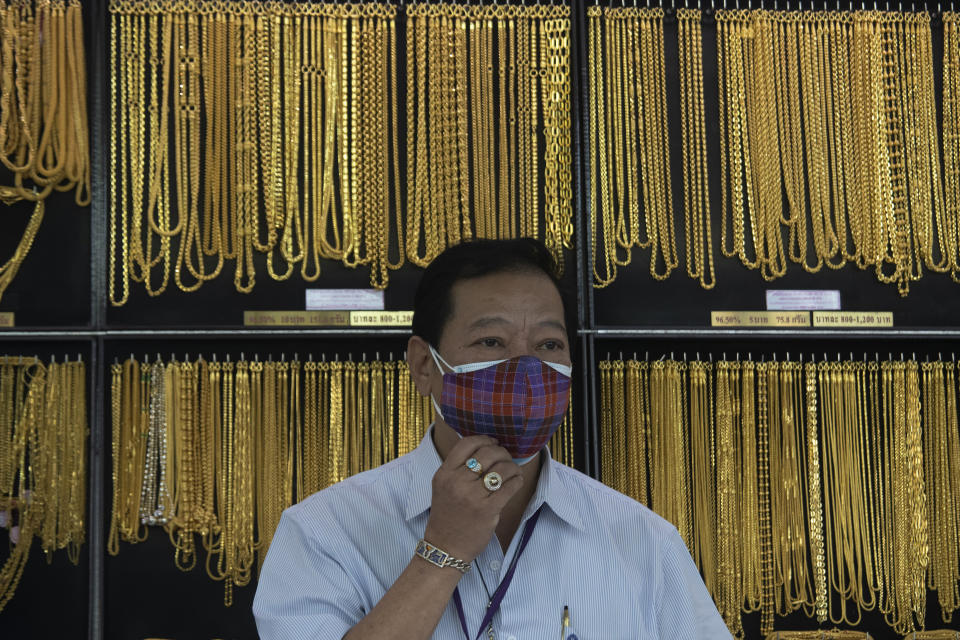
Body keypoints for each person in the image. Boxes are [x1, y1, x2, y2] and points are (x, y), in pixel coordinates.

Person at [253, 238, 731, 640]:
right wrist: (442, 552)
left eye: (548, 345)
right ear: (424, 366)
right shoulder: (322, 532)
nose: (525, 369)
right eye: (491, 343)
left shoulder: (643, 542)